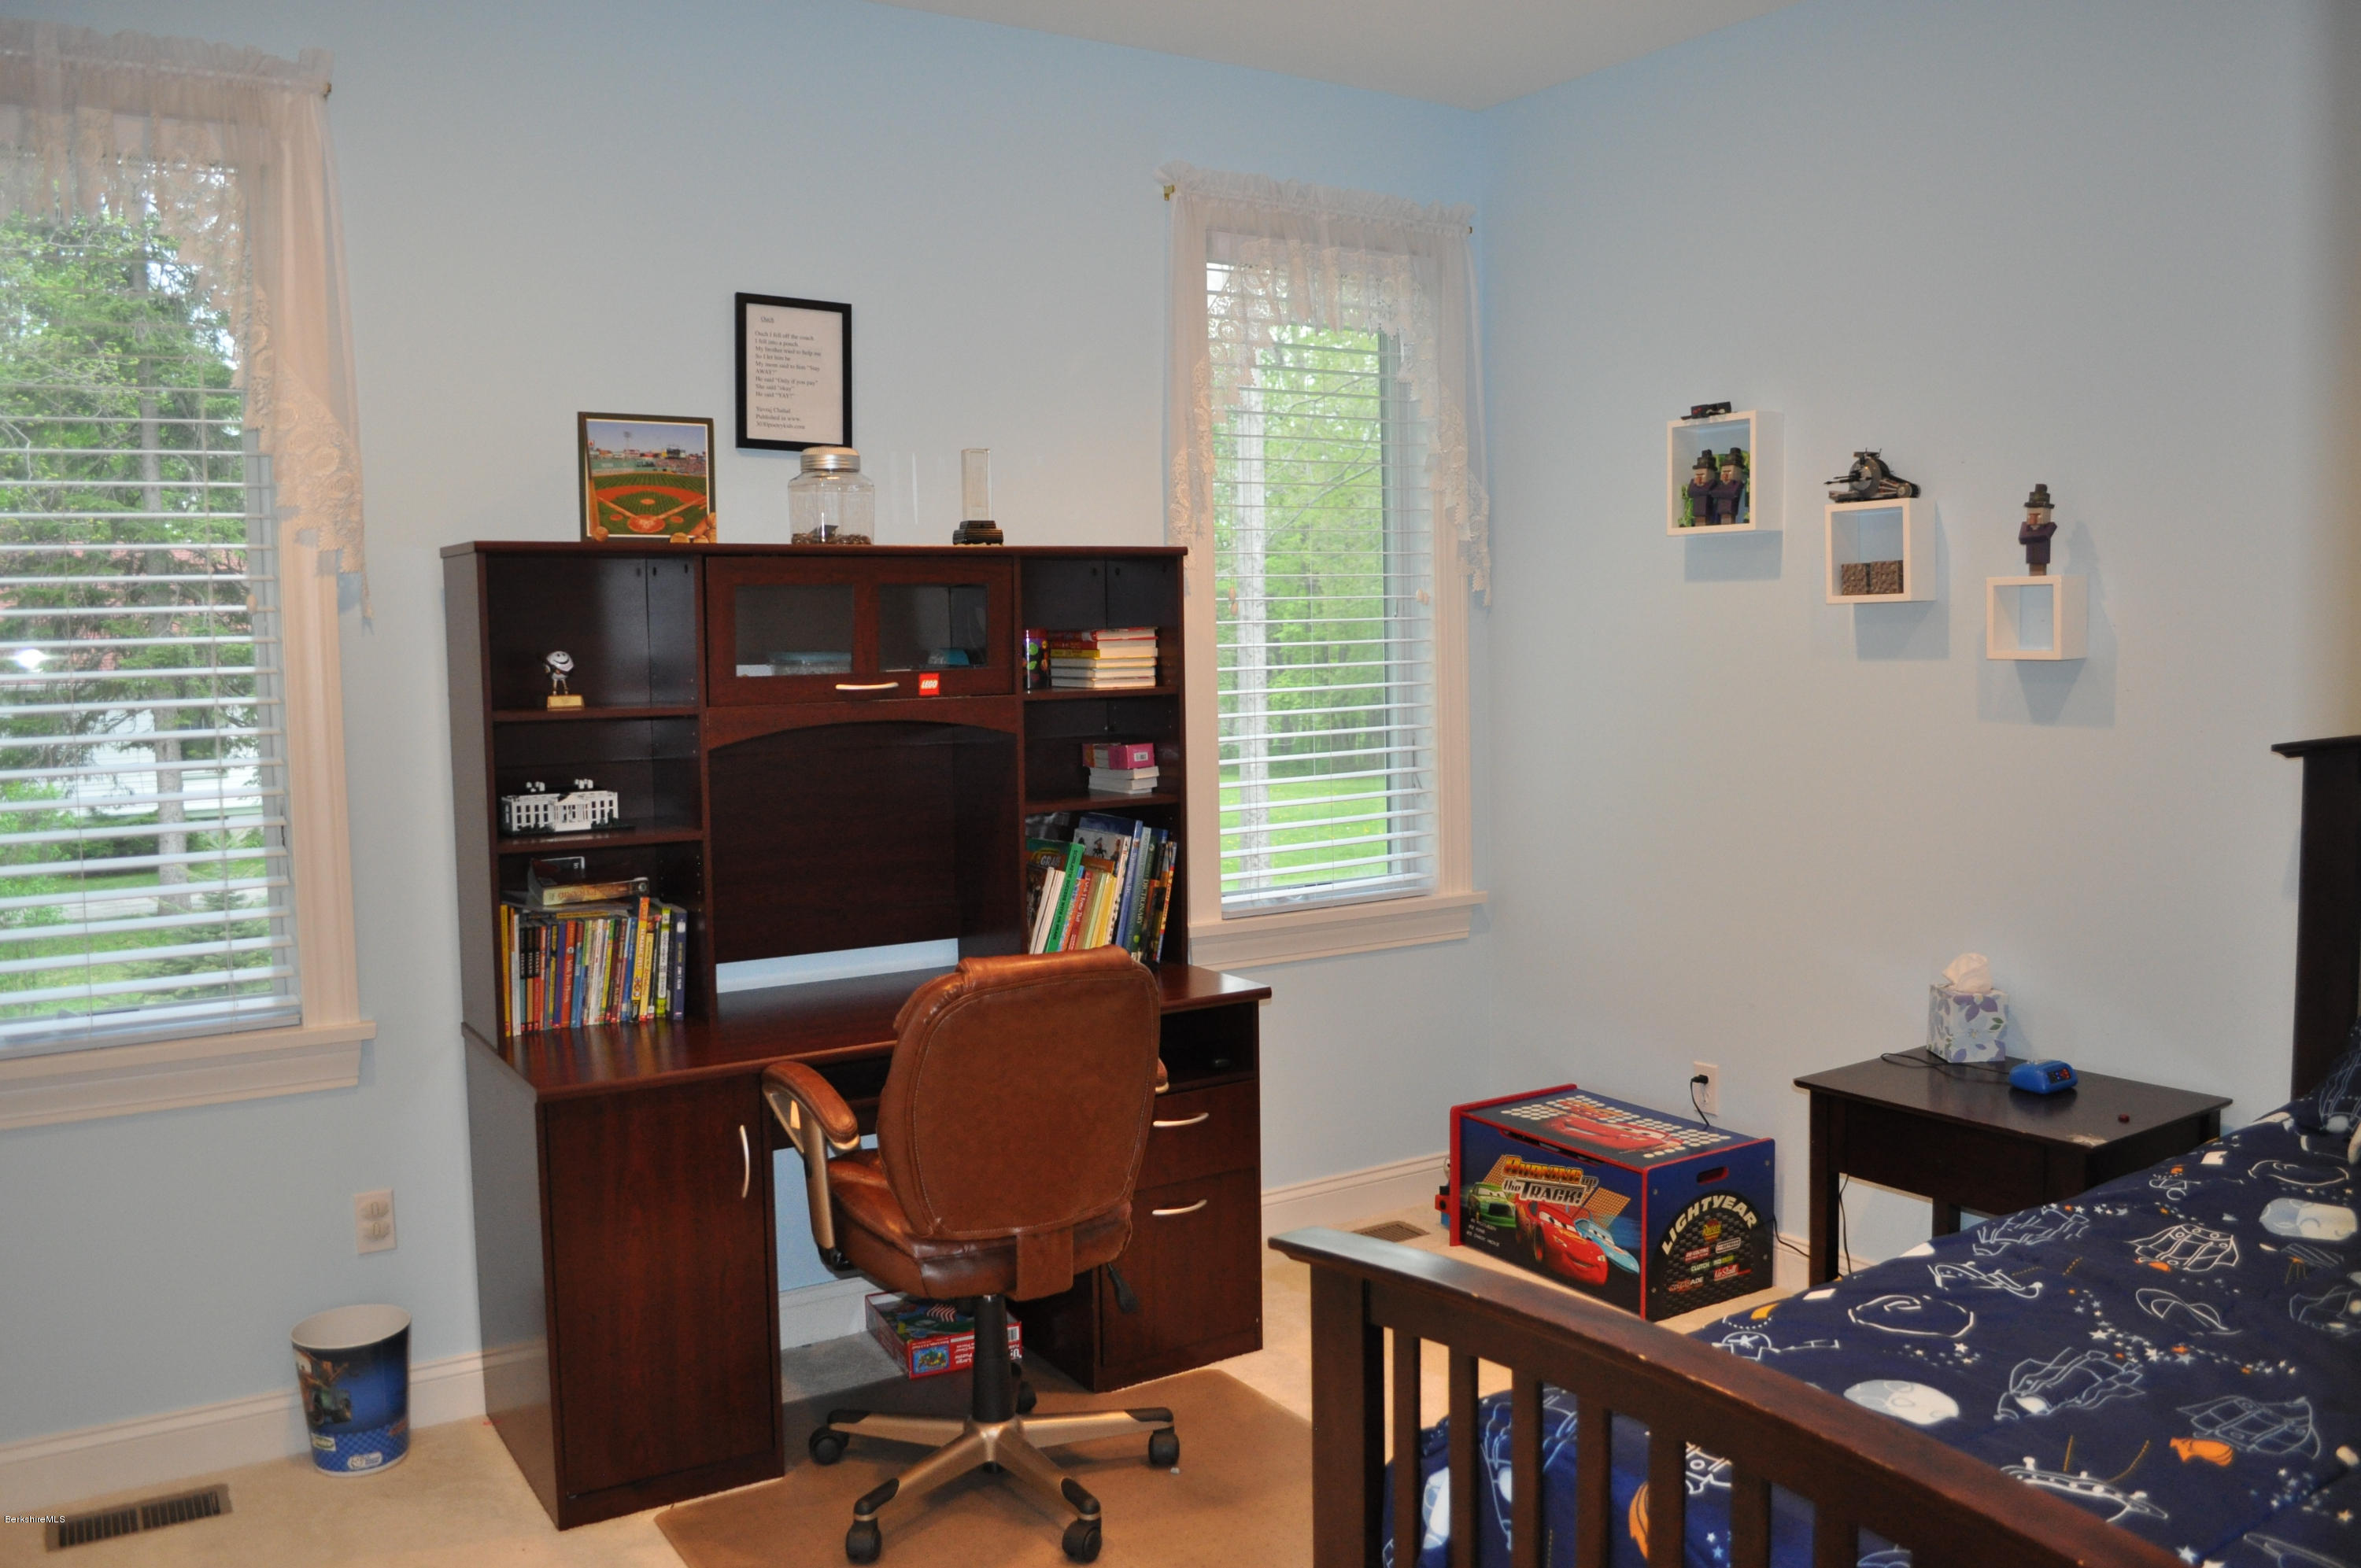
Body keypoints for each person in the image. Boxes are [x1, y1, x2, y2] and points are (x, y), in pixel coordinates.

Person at [2019, 483, 2057, 575]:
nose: (2033, 519)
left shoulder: (2049, 527)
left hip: (2042, 555)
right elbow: (2022, 538)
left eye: (2038, 515)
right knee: (2033, 573)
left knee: (2040, 572)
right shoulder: (2026, 527)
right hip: (2031, 556)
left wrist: (2031, 536)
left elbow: (2044, 536)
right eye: (2031, 515)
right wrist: (2033, 536)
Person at [1711, 448, 1748, 526]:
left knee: (1728, 520)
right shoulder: (1720, 484)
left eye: (1729, 472)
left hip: (1730, 508)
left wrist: (1721, 492)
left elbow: (1733, 493)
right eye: (1724, 472)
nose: (1725, 475)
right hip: (1721, 508)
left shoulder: (1737, 484)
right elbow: (1713, 493)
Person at [1685, 449, 1715, 527]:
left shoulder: (1712, 483)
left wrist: (1700, 488)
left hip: (1707, 509)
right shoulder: (1694, 484)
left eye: (1702, 475)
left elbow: (1708, 491)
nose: (1699, 477)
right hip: (1697, 508)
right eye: (1697, 475)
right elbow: (1690, 492)